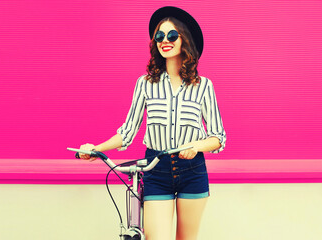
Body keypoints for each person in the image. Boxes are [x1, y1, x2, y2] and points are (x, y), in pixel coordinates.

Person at [78, 6, 226, 240]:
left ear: (184, 40)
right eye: (159, 36)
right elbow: (127, 132)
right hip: (156, 170)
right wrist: (96, 149)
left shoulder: (203, 85)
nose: (164, 41)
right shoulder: (145, 83)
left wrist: (196, 146)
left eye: (171, 35)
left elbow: (218, 137)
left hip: (193, 170)